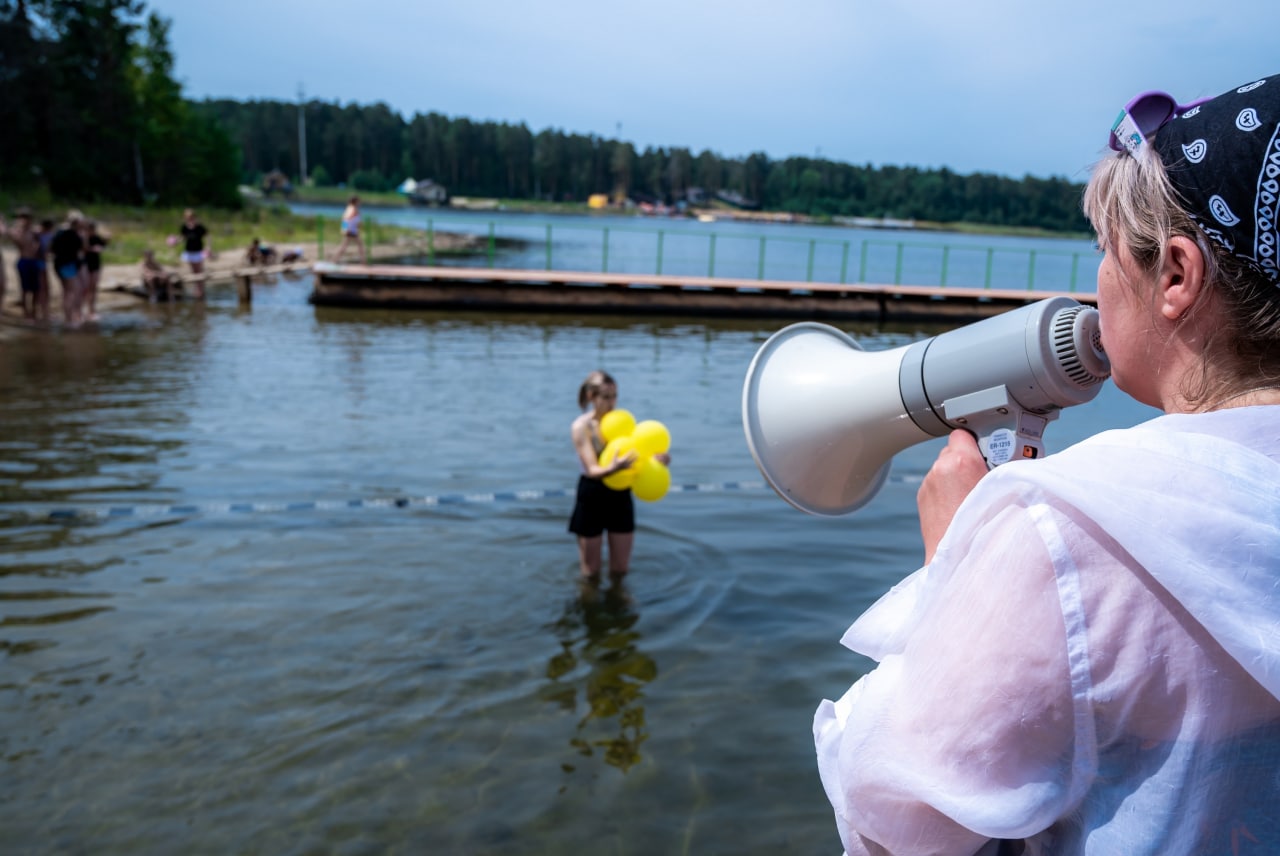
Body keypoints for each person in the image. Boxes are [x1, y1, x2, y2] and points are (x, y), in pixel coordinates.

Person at [812, 74, 1280, 855]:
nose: (1095, 281)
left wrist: (952, 570)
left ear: (1175, 274)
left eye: (1103, 249)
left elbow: (892, 829)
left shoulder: (1067, 534)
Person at [568, 370, 671, 578]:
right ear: (591, 397)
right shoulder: (582, 427)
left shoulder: (623, 424)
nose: (612, 402)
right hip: (592, 494)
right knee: (591, 572)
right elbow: (592, 469)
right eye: (606, 397)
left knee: (621, 569)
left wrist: (658, 461)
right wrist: (614, 467)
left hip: (620, 494)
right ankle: (589, 605)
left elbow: (640, 453)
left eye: (614, 396)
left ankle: (619, 602)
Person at [49, 210, 85, 327]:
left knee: (66, 291)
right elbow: (82, 248)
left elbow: (51, 248)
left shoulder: (59, 232)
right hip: (67, 265)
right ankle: (69, 320)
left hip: (59, 264)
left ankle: (68, 317)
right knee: (70, 292)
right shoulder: (73, 234)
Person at [10, 209, 43, 320]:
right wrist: (20, 229)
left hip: (34, 261)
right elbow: (18, 242)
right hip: (24, 260)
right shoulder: (18, 232)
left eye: (27, 217)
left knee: (36, 289)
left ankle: (34, 312)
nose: (25, 220)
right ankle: (26, 313)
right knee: (25, 289)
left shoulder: (34, 231)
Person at [179, 208, 210, 298]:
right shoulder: (184, 227)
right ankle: (197, 290)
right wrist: (175, 241)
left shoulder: (199, 227)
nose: (189, 219)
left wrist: (208, 247)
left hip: (198, 251)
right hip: (189, 251)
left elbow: (207, 235)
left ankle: (201, 290)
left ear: (194, 217)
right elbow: (182, 237)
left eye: (191, 217)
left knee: (199, 271)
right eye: (187, 217)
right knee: (194, 271)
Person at [82, 219, 107, 321]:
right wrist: (93, 249)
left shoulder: (97, 237)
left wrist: (105, 241)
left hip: (96, 265)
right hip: (85, 265)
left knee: (93, 288)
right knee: (86, 288)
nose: (91, 231)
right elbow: (83, 249)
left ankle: (92, 310)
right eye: (89, 229)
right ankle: (84, 310)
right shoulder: (83, 238)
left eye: (92, 229)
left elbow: (103, 245)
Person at [331, 195, 367, 264]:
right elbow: (346, 219)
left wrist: (344, 228)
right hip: (351, 230)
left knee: (345, 246)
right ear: (356, 201)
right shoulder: (353, 209)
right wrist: (344, 229)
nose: (360, 203)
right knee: (358, 245)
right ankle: (363, 262)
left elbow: (345, 219)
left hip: (351, 230)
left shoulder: (349, 208)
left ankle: (335, 260)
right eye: (359, 201)